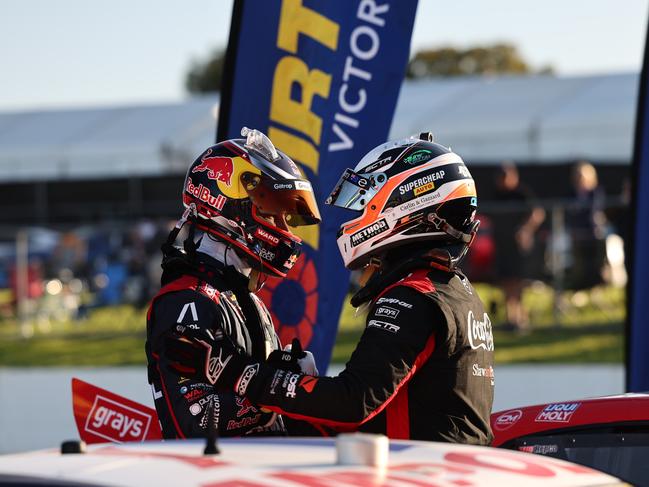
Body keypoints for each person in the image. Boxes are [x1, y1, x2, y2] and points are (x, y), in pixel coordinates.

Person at [165, 133, 495, 444]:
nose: (356, 215)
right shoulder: (458, 290)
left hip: (419, 474)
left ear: (404, 204)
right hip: (449, 467)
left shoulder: (413, 296)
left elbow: (353, 402)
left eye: (365, 201)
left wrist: (238, 373)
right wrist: (293, 381)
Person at [145, 127, 321, 438]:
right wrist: (282, 390)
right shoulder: (185, 302)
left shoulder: (246, 298)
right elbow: (196, 420)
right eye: (272, 213)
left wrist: (294, 384)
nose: (282, 227)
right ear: (227, 204)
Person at [491, 161, 545, 332]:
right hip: (502, 244)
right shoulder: (496, 194)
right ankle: (510, 318)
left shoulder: (522, 193)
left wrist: (525, 230)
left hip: (518, 246)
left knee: (518, 281)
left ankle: (520, 318)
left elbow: (537, 213)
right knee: (506, 281)